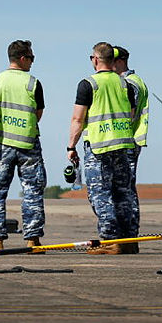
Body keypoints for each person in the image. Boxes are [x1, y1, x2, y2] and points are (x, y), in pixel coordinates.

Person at [67, 42, 139, 255]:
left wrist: (71, 146)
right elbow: (132, 114)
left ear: (96, 60)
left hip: (99, 147)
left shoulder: (88, 84)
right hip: (124, 146)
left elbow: (77, 119)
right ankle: (129, 241)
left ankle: (110, 241)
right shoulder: (126, 84)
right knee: (124, 194)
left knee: (101, 194)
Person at [0, 40, 46, 252]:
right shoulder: (32, 82)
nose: (32, 62)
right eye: (31, 58)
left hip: (1, 145)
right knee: (32, 191)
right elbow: (38, 113)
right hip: (28, 143)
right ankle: (32, 240)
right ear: (22, 58)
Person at [112, 45, 148, 238]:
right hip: (132, 140)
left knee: (124, 190)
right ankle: (129, 233)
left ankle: (128, 234)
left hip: (127, 141)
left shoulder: (129, 83)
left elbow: (128, 114)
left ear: (119, 61)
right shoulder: (135, 80)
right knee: (127, 188)